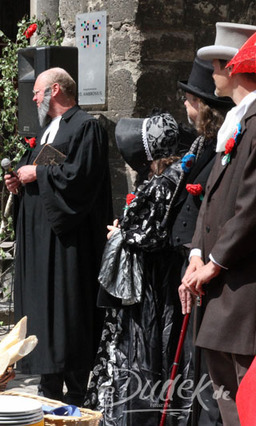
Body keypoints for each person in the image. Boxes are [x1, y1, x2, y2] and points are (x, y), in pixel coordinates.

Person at [4, 67, 112, 405]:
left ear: (55, 90)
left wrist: (38, 172)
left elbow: (81, 179)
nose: (34, 98)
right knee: (42, 312)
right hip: (39, 242)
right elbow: (38, 177)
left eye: (37, 92)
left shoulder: (87, 127)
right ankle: (47, 384)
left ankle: (77, 388)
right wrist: (18, 184)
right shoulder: (47, 131)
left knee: (68, 309)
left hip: (68, 244)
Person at [85, 112, 189, 425]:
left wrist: (121, 234)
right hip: (158, 282)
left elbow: (152, 236)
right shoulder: (174, 177)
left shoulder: (162, 183)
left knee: (143, 353)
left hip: (151, 288)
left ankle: (139, 415)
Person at [180, 22, 256, 426]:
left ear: (234, 66)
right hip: (219, 290)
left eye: (214, 64)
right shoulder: (238, 122)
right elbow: (211, 200)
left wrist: (215, 262)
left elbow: (250, 206)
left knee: (246, 402)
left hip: (242, 291)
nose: (210, 74)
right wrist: (196, 254)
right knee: (227, 404)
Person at [170, 57, 232, 426]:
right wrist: (193, 254)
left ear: (204, 105)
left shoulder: (225, 146)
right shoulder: (204, 144)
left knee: (215, 378)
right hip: (194, 264)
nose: (185, 105)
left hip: (215, 271)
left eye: (190, 99)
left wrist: (205, 260)